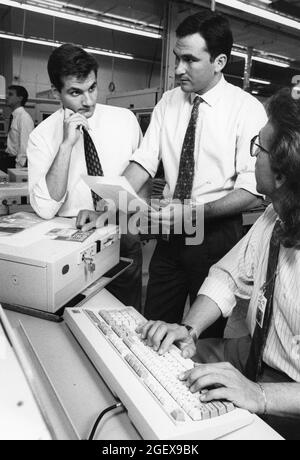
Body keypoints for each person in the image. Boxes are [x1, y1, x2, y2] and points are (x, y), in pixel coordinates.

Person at [138, 88, 300, 440]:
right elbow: (227, 276)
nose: (253, 156)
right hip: (258, 350)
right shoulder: (274, 216)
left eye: (259, 148)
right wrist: (190, 329)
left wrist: (260, 394)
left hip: (290, 387)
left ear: (283, 174)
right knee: (167, 361)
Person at [122, 10, 267, 336]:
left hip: (216, 235)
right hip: (170, 235)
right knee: (153, 325)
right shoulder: (168, 102)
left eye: (190, 60)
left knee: (204, 334)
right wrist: (110, 198)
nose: (177, 70)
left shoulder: (246, 110)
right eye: (176, 58)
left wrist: (194, 214)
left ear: (219, 61)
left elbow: (251, 189)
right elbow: (144, 162)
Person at [28, 44, 143, 310]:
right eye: (75, 93)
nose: (88, 101)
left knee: (128, 314)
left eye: (92, 88)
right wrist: (66, 145)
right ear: (56, 92)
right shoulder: (42, 137)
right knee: (78, 319)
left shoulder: (124, 120)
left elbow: (142, 182)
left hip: (122, 233)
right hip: (73, 244)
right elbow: (45, 208)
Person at [2, 85, 34, 171]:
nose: (6, 97)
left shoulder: (24, 118)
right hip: (7, 161)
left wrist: (18, 169)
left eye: (10, 94)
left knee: (9, 184)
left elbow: (25, 146)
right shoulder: (14, 116)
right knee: (3, 184)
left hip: (15, 164)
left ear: (20, 98)